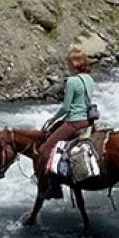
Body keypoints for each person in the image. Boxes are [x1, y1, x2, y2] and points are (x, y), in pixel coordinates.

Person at [36, 49, 96, 199]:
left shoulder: (72, 81)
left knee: (46, 149)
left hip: (74, 122)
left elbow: (66, 107)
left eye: (69, 62)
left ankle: (54, 188)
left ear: (74, 64)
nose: (67, 65)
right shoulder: (89, 79)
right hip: (88, 120)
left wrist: (53, 119)